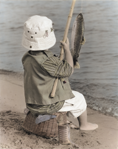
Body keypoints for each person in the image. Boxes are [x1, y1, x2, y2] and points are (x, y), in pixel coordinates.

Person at [22, 15, 98, 144]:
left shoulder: (27, 57)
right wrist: (68, 50)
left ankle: (59, 117)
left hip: (32, 103)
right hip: (47, 105)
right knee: (79, 98)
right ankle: (84, 125)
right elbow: (69, 70)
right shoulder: (47, 61)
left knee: (67, 96)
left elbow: (53, 67)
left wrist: (58, 59)